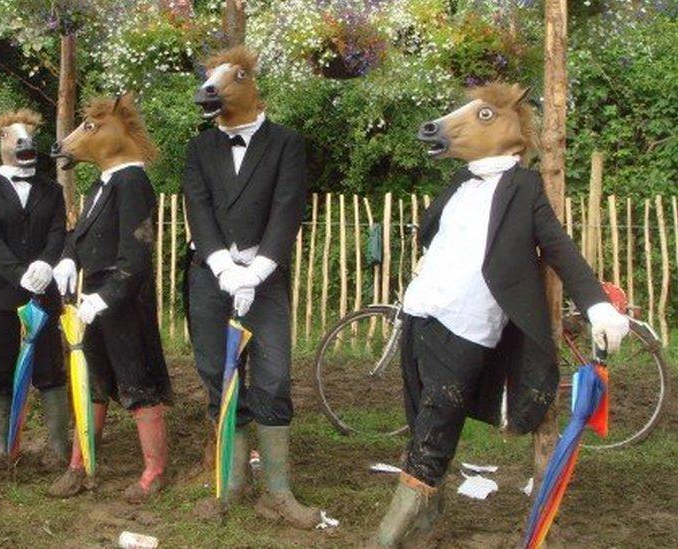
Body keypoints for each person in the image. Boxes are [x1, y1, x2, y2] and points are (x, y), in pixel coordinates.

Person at [372, 83, 631, 547]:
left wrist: (597, 305)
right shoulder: (460, 181)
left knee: (434, 430)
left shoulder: (524, 189)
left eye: (484, 116)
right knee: (420, 423)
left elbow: (560, 249)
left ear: (511, 126)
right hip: (421, 312)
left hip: (468, 325)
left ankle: (384, 540)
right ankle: (428, 525)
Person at [182, 46, 319, 528]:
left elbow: (287, 209)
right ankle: (232, 483)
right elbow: (197, 208)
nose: (213, 89)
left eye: (226, 80)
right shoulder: (199, 148)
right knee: (216, 376)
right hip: (209, 278)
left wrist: (256, 271)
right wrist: (224, 268)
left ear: (248, 84)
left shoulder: (286, 143)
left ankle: (278, 491)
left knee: (274, 374)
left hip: (265, 278)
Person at [48, 94, 172, 503]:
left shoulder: (133, 183)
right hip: (91, 298)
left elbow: (136, 255)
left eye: (90, 127)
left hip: (122, 301)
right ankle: (79, 464)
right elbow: (79, 235)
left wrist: (104, 298)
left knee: (137, 382)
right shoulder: (101, 185)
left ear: (114, 130)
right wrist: (67, 259)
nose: (77, 138)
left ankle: (154, 471)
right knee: (93, 379)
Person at [0, 109, 70, 467]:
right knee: (0, 368)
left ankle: (58, 450)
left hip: (43, 291)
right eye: (15, 139)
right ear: (1, 142)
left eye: (29, 138)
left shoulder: (52, 189)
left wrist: (46, 263)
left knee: (50, 368)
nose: (24, 145)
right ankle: (4, 449)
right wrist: (18, 274)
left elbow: (58, 232)